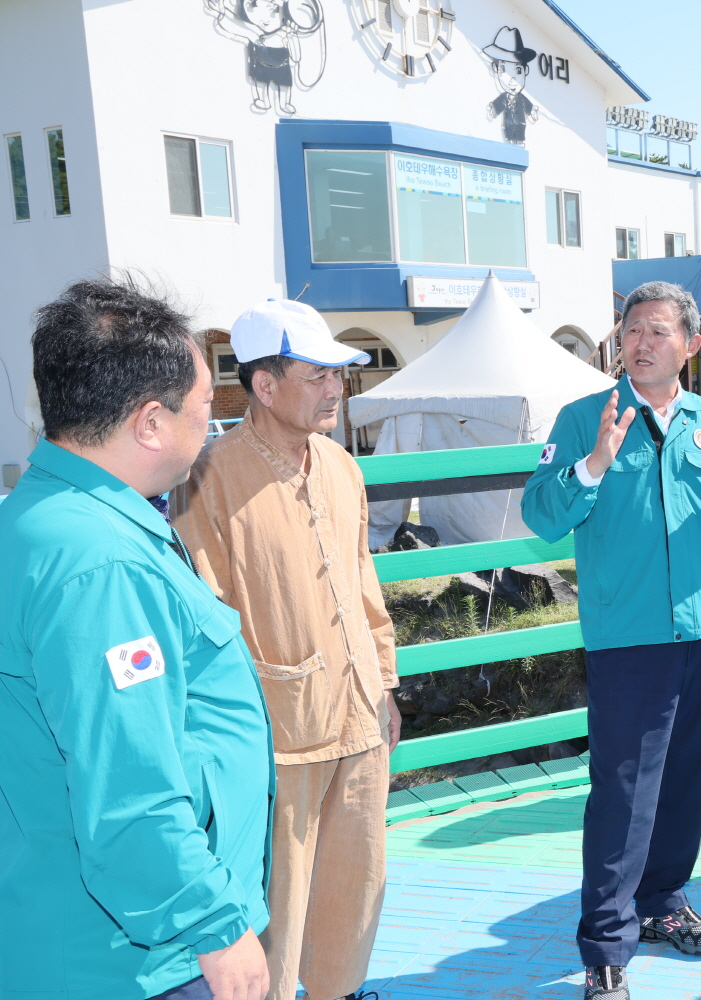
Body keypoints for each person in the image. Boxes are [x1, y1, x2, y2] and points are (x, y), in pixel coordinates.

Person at [0, 278, 274, 1000]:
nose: (208, 426)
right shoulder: (101, 563)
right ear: (151, 422)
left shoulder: (41, 521)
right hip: (140, 956)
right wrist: (215, 925)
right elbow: (130, 788)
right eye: (205, 408)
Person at [521, 282, 701, 1000]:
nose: (642, 343)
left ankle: (663, 903)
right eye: (632, 330)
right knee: (622, 792)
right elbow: (540, 513)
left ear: (690, 345)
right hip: (626, 635)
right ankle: (605, 944)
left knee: (687, 781)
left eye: (659, 332)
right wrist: (594, 464)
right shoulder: (583, 418)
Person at [171, 299, 399, 1000]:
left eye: (339, 376)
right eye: (316, 375)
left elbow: (365, 588)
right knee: (280, 903)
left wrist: (387, 684)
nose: (335, 389)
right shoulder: (209, 479)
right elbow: (206, 620)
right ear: (263, 387)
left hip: (359, 715)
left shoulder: (342, 467)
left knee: (356, 889)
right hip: (276, 735)